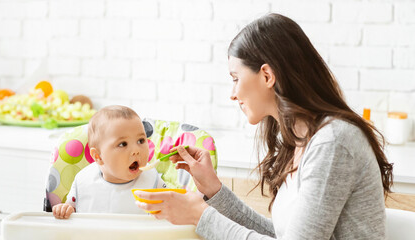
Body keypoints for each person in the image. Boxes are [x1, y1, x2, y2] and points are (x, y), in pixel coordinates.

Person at [134, 13, 393, 239]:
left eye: (236, 79)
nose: (233, 94)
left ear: (267, 76)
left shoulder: (333, 143)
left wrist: (200, 215)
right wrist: (214, 191)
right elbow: (278, 235)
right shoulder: (303, 141)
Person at [53, 105, 166, 219]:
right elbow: (73, 208)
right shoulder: (84, 180)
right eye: (122, 144)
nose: (136, 151)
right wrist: (65, 209)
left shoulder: (153, 181)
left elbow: (170, 209)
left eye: (141, 140)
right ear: (98, 156)